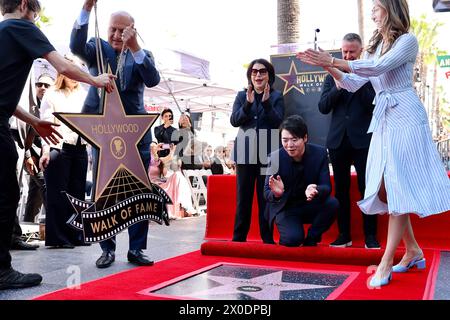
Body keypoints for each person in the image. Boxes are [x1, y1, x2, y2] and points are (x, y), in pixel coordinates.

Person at [297, 0, 450, 287]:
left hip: (405, 114)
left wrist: (331, 60)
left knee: (397, 184)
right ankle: (413, 250)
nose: (372, 12)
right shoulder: (375, 44)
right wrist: (328, 66)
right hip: (384, 119)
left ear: (391, 7)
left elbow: (378, 68)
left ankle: (387, 261)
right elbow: (353, 82)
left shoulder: (407, 40)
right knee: (387, 186)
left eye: (377, 6)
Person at [0, 0, 114, 290]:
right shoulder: (22, 26)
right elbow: (63, 64)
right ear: (25, 5)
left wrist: (33, 120)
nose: (36, 20)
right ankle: (1, 269)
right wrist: (96, 80)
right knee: (6, 194)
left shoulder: (3, 31)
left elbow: (4, 97)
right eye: (36, 14)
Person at [70, 0, 160, 268]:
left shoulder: (143, 53)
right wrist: (86, 8)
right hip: (104, 136)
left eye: (122, 30)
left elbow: (153, 78)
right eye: (112, 29)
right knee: (103, 192)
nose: (116, 35)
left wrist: (135, 47)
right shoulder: (98, 49)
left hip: (136, 136)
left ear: (132, 30)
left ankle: (136, 249)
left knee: (139, 192)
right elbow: (75, 45)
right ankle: (106, 249)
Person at [318, 33, 380, 249]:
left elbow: (373, 105)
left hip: (363, 141)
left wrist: (355, 81)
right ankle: (344, 235)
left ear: (360, 51)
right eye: (344, 52)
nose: (348, 55)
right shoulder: (330, 75)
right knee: (341, 191)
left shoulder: (371, 74)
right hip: (338, 141)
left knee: (367, 190)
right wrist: (338, 85)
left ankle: (370, 236)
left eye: (352, 52)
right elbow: (323, 107)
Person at [230, 58, 285, 244]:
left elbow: (278, 121)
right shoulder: (241, 95)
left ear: (269, 75)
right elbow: (234, 121)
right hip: (245, 152)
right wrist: (247, 104)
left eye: (262, 71)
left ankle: (267, 240)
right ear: (250, 76)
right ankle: (238, 239)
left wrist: (267, 103)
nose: (258, 75)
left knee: (266, 198)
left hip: (268, 153)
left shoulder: (277, 96)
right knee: (243, 199)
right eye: (254, 72)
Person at [264, 115, 338, 247]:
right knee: (292, 240)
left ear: (305, 138)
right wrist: (277, 193)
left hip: (310, 204)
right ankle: (294, 236)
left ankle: (312, 238)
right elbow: (266, 192)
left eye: (294, 139)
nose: (289, 145)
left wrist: (315, 189)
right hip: (286, 207)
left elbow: (326, 186)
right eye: (285, 140)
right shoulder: (274, 157)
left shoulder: (320, 153)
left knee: (332, 203)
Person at [39, 65, 88, 249]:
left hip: (81, 147)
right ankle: (58, 237)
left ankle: (76, 234)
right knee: (58, 195)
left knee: (78, 193)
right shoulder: (51, 94)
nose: (76, 75)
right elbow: (45, 124)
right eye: (72, 70)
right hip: (59, 147)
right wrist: (45, 150)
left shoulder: (83, 94)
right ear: (63, 71)